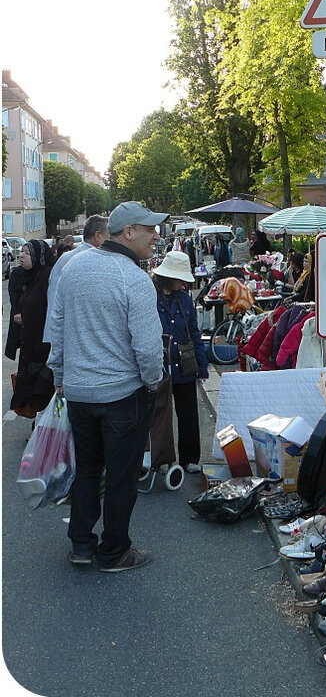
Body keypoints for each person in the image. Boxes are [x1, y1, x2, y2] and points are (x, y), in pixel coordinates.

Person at [47, 200, 168, 573]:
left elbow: (58, 330)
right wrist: (152, 384)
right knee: (120, 476)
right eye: (148, 229)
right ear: (127, 232)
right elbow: (148, 349)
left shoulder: (73, 267)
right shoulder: (135, 278)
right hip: (122, 396)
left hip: (80, 393)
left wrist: (61, 378)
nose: (155, 235)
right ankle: (115, 551)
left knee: (87, 470)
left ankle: (82, 544)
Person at [151, 251, 209, 473]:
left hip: (184, 364)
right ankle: (159, 459)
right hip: (159, 365)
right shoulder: (150, 296)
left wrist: (202, 368)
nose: (184, 282)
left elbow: (195, 333)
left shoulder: (184, 299)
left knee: (188, 414)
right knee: (158, 416)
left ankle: (189, 459)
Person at [43, 214, 110, 343]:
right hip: (80, 338)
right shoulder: (94, 260)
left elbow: (53, 302)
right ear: (98, 236)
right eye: (109, 236)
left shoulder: (65, 258)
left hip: (66, 336)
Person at [10, 240, 55, 418]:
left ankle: (46, 435)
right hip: (31, 346)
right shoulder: (27, 277)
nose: (21, 255)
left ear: (39, 257)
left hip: (44, 349)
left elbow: (46, 310)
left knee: (42, 392)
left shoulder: (47, 277)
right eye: (21, 251)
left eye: (27, 253)